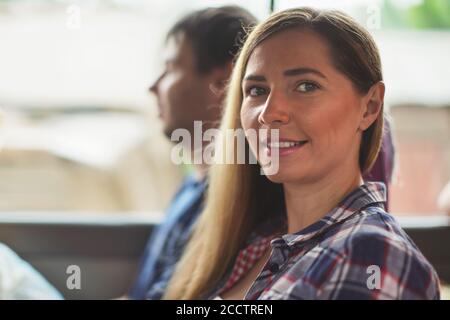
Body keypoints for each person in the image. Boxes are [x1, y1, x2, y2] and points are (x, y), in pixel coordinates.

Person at [163, 7, 440, 300]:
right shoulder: (258, 241)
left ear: (370, 107)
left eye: (306, 86)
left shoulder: (374, 254)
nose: (269, 113)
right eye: (257, 90)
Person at [128, 6, 258, 300]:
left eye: (171, 68)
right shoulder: (193, 185)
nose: (153, 86)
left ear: (224, 81)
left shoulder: (239, 204)